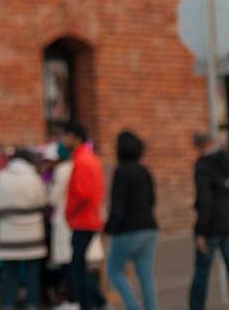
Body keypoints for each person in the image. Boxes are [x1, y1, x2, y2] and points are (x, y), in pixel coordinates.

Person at [104, 130, 158, 310]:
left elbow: (118, 205)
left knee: (114, 270)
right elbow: (152, 199)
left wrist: (109, 227)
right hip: (148, 227)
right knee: (145, 276)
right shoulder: (144, 171)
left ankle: (132, 306)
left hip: (128, 230)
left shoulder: (121, 173)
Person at [0, 149, 48, 310]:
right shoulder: (34, 179)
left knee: (9, 275)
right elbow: (42, 201)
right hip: (32, 234)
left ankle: (9, 304)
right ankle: (32, 304)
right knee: (32, 274)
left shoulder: (2, 178)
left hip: (8, 234)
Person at [189, 131, 229, 310]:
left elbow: (205, 201)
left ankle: (196, 307)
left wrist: (200, 231)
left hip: (211, 226)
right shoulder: (228, 161)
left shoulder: (203, 166)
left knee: (202, 271)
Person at [63, 123, 105, 310]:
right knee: (79, 264)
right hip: (88, 218)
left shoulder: (81, 160)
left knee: (77, 267)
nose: (64, 141)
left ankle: (91, 303)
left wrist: (68, 211)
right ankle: (97, 301)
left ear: (74, 136)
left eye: (66, 136)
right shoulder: (89, 159)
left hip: (82, 220)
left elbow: (82, 193)